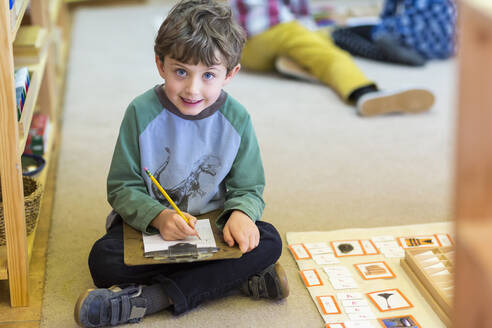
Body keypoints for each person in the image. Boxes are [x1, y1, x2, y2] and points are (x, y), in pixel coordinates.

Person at [73, 0, 289, 326]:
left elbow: (249, 187)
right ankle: (231, 281)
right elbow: (121, 186)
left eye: (209, 75)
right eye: (180, 72)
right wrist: (159, 217)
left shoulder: (238, 119)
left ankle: (150, 300)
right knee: (103, 261)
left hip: (214, 232)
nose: (192, 88)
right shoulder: (140, 113)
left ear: (230, 74)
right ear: (160, 65)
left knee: (269, 240)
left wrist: (242, 214)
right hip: (154, 232)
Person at [229, 0, 435, 117]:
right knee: (331, 55)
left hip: (247, 50)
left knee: (317, 41)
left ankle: (291, 62)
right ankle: (363, 91)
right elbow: (299, 14)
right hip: (273, 31)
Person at [332, 0, 457, 66]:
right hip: (446, 46)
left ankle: (398, 55)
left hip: (412, 42)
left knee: (339, 34)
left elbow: (387, 14)